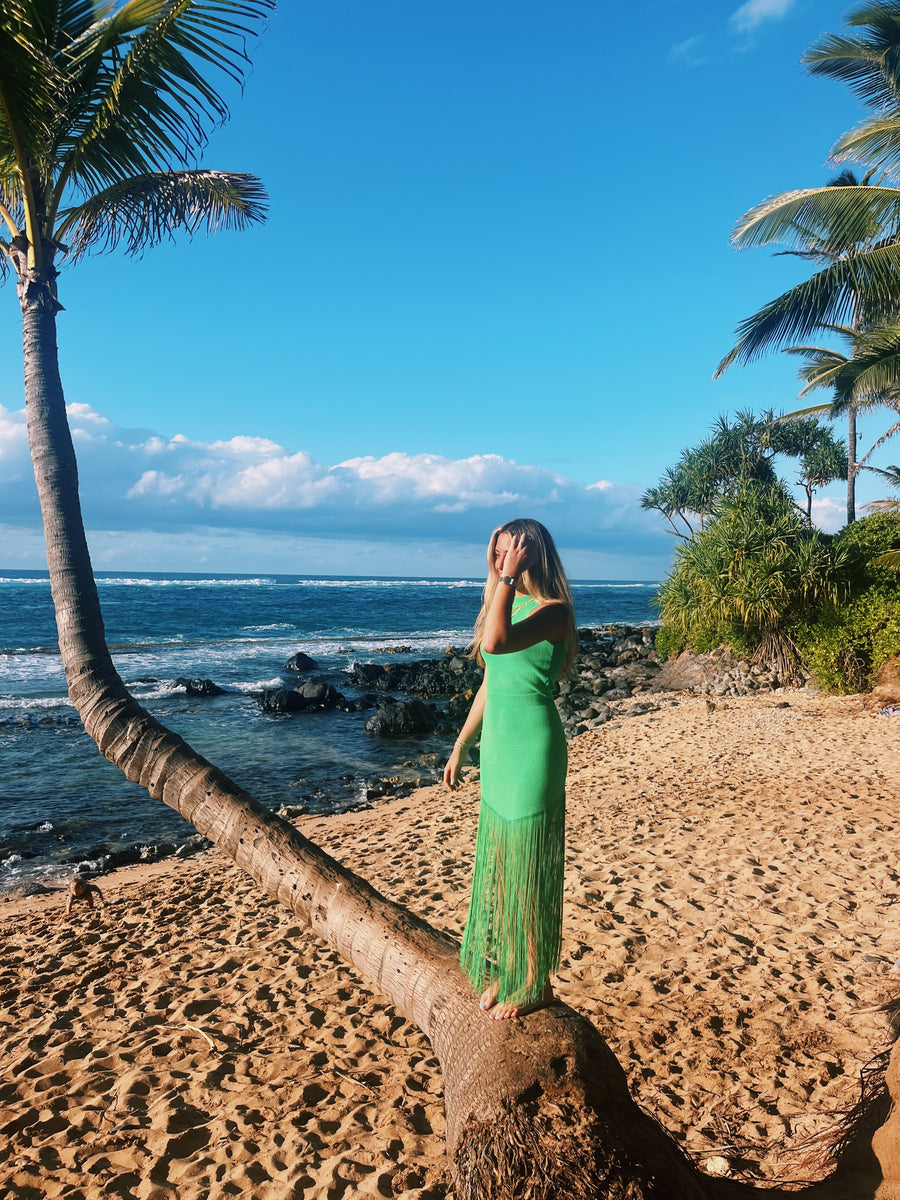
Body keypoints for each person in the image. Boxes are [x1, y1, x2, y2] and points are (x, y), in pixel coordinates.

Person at [444, 518, 576, 1020]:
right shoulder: (507, 604)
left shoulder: (553, 611)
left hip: (533, 749)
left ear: (532, 554)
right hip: (497, 748)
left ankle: (534, 980)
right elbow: (489, 680)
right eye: (497, 553)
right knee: (504, 870)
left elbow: (497, 644)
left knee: (530, 865)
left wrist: (503, 581)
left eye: (512, 553)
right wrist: (460, 744)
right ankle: (512, 971)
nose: (503, 561)